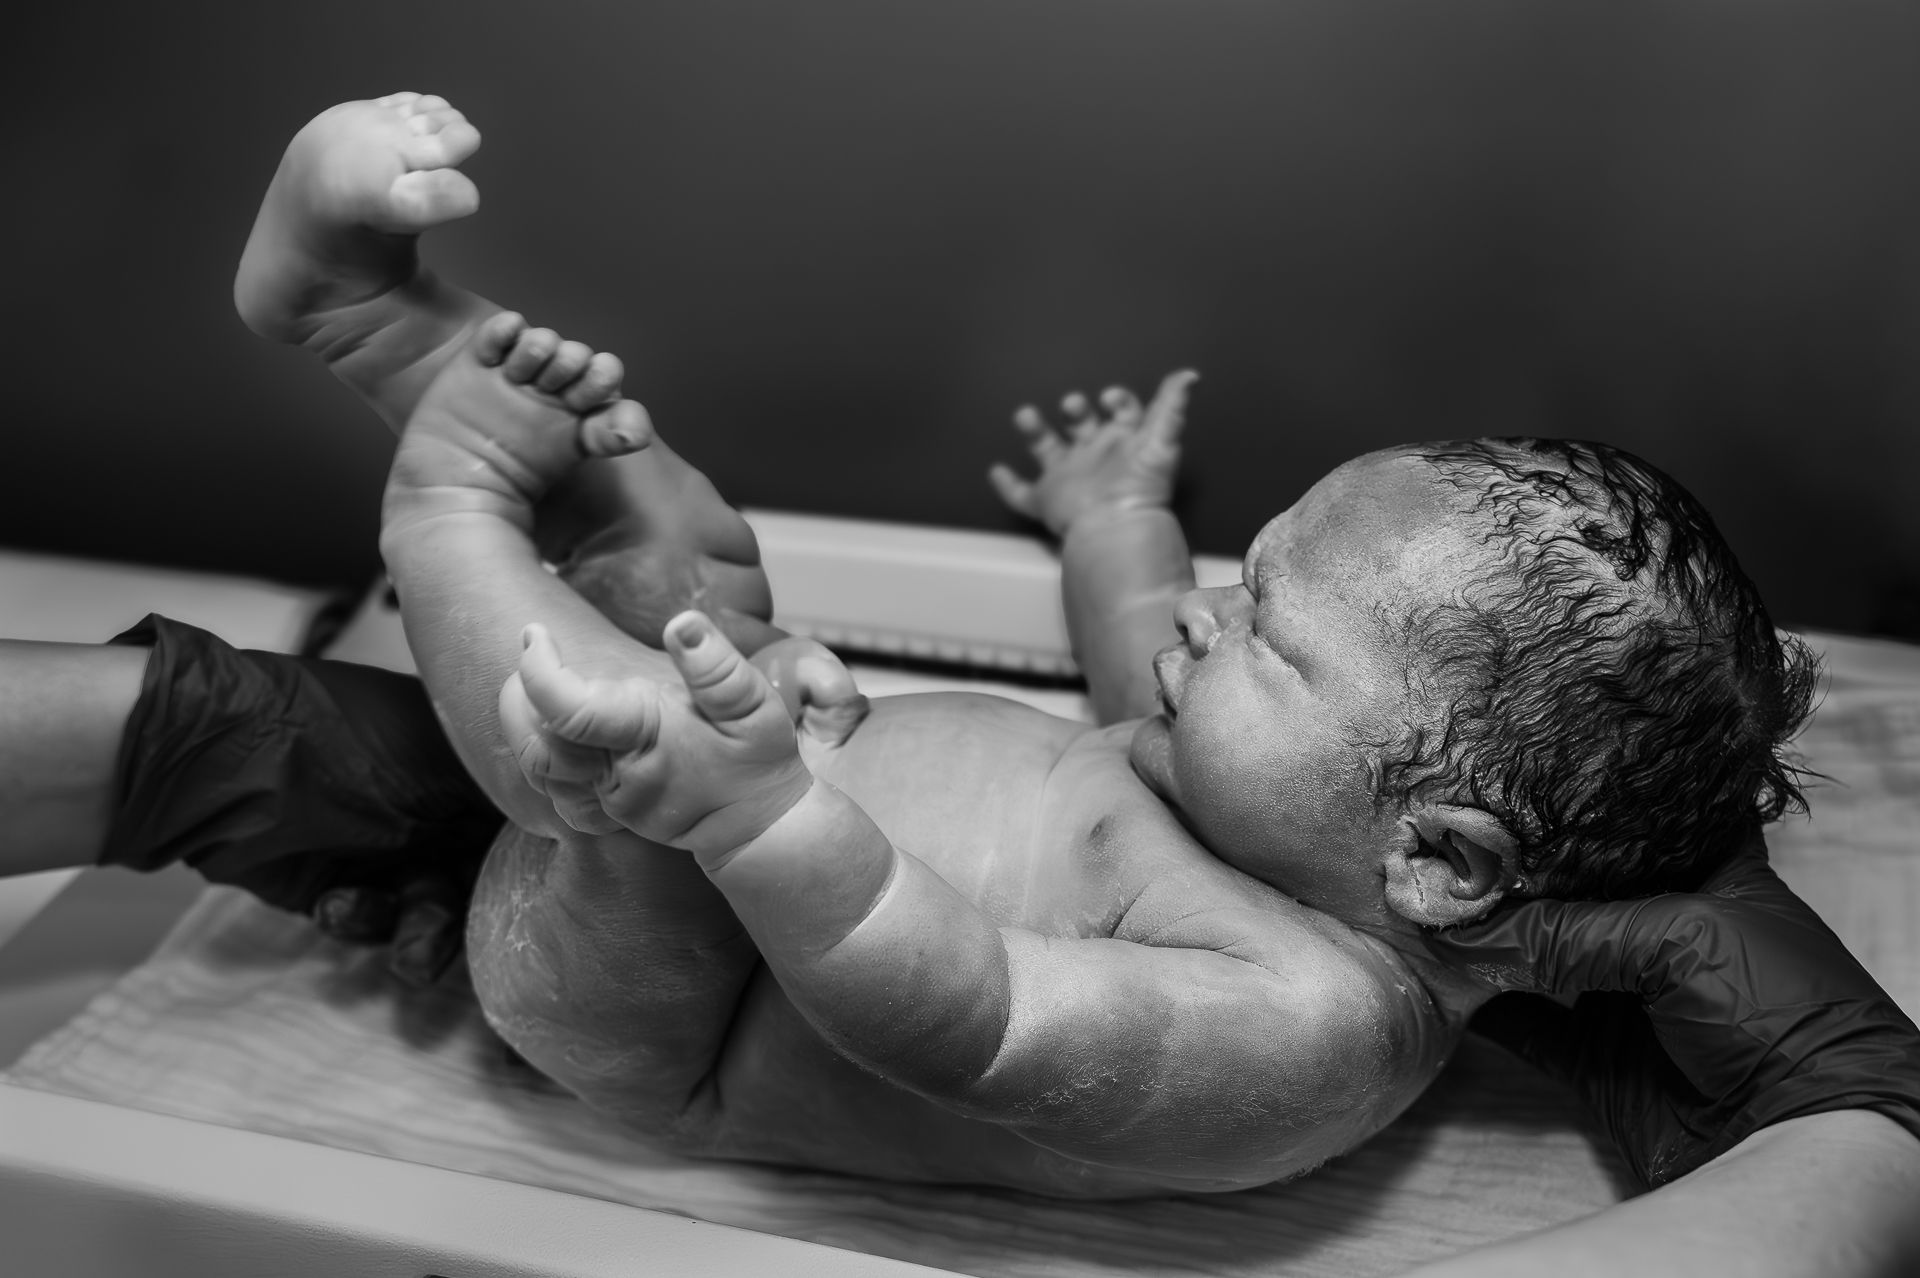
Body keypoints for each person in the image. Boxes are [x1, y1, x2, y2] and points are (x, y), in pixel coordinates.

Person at [2, 90, 1913, 1270]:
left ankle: (423, 430)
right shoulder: (1261, 792)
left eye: (1265, 629)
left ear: (1442, 863)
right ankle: (429, 368)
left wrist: (749, 816)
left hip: (665, 1012)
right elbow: (1134, 654)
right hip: (764, 790)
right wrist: (1111, 535)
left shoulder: (1311, 1020)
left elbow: (980, 1019)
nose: (1199, 624)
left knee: (619, 708)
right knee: (693, 571)